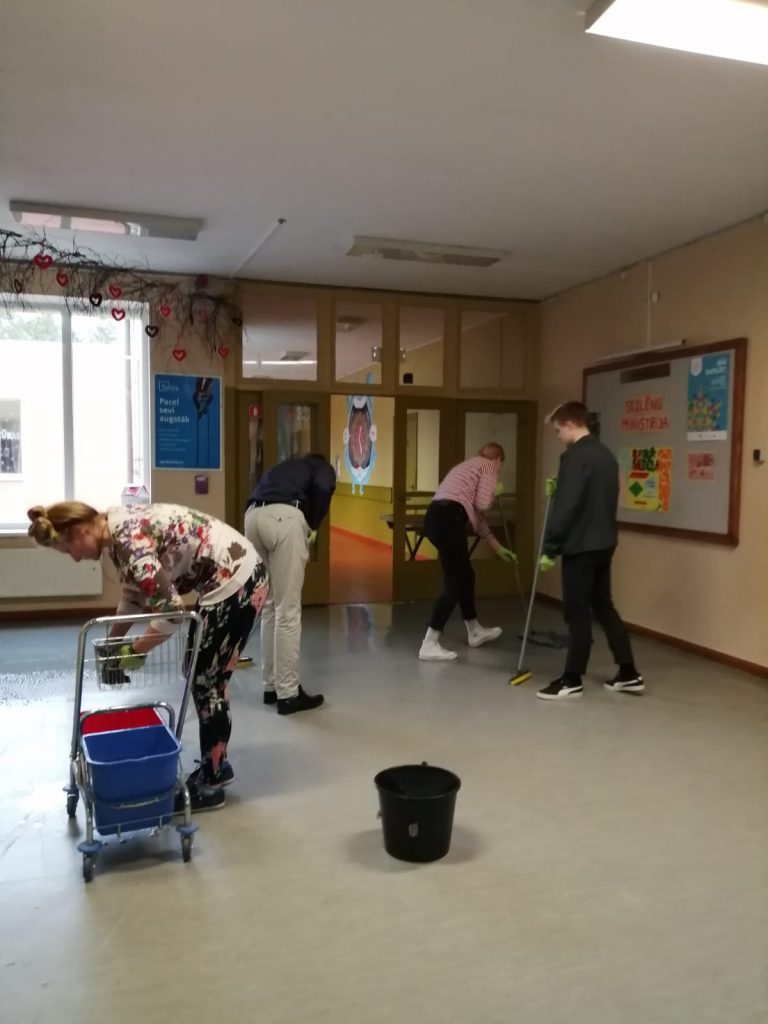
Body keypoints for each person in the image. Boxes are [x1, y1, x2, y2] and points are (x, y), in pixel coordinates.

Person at [27, 501, 268, 810]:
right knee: (204, 675)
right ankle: (216, 763)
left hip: (238, 582)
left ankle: (211, 785)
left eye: (68, 549)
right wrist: (113, 644)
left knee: (206, 680)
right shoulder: (114, 530)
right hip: (231, 576)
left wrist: (134, 652)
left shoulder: (129, 544)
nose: (74, 558)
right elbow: (134, 595)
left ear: (80, 530)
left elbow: (172, 613)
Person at [536, 401, 643, 700]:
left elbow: (567, 505)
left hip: (580, 545)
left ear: (570, 424)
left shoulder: (574, 457)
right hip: (604, 542)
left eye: (558, 431)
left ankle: (571, 679)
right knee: (604, 606)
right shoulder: (606, 455)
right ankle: (628, 672)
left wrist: (550, 547)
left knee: (577, 613)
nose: (558, 437)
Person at [244, 453, 336, 713]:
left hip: (252, 518)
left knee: (270, 607)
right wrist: (313, 524)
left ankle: (271, 687)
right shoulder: (321, 467)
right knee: (288, 610)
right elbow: (323, 486)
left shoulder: (284, 467)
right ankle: (288, 694)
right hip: (284, 519)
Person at [418, 443, 517, 661]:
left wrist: (498, 548)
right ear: (498, 460)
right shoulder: (488, 466)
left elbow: (475, 517)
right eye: (500, 465)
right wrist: (494, 491)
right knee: (455, 580)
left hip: (437, 518)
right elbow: (482, 504)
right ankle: (429, 642)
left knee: (466, 575)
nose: (498, 470)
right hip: (450, 519)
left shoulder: (466, 468)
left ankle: (474, 630)